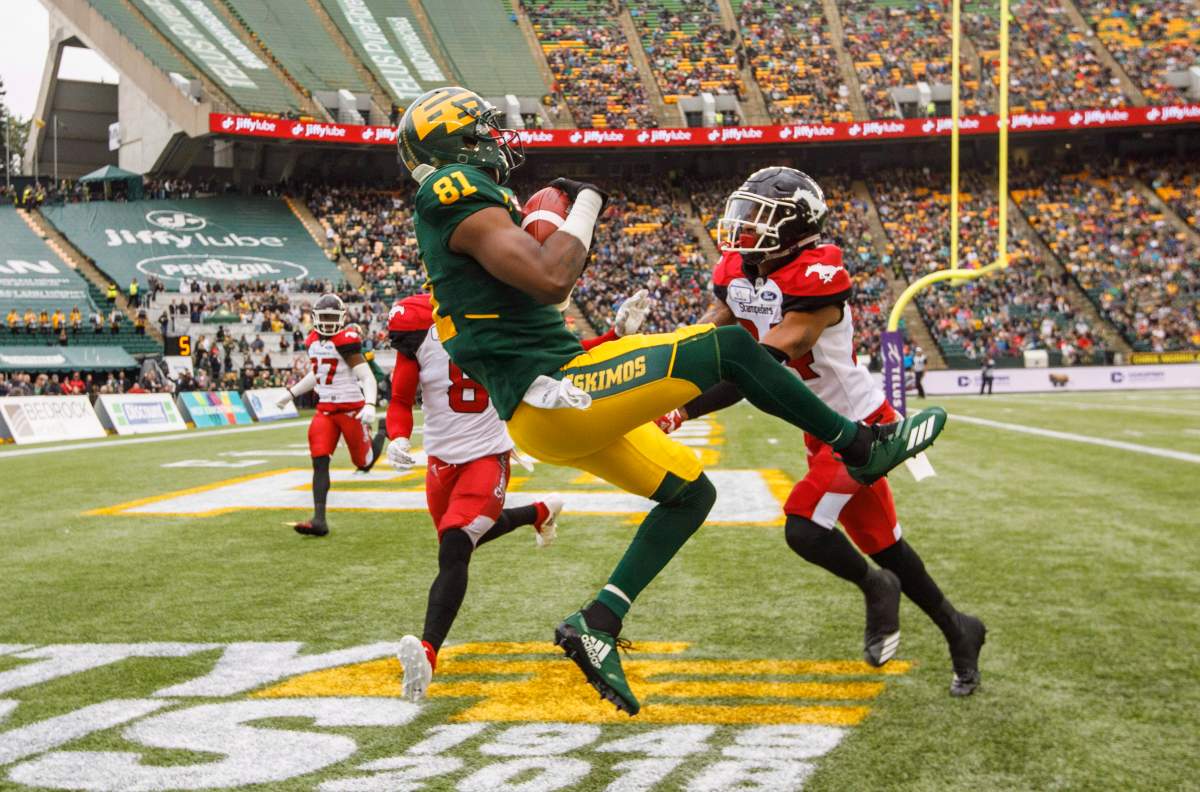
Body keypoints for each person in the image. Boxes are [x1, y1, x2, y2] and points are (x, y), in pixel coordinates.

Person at [397, 86, 947, 714]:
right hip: (558, 394)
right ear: (455, 145)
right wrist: (586, 205)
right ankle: (863, 444)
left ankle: (596, 623)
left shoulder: (465, 220)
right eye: (481, 131)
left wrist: (554, 234)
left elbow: (518, 307)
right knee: (732, 348)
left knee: (692, 492)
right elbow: (553, 277)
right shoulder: (453, 189)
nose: (496, 140)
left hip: (552, 405)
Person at [656, 167, 985, 696]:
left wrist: (698, 383)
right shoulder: (739, 273)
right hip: (821, 433)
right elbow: (714, 344)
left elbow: (774, 351)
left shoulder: (818, 274)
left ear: (798, 226)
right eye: (743, 212)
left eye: (760, 217)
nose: (743, 227)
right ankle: (960, 630)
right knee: (887, 545)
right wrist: (668, 390)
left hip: (862, 429)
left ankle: (877, 589)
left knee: (804, 527)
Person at [385, 291, 573, 701]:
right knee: (461, 541)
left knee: (455, 544)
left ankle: (429, 652)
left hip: (487, 455)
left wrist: (612, 336)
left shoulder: (496, 316)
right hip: (441, 463)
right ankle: (539, 512)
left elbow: (554, 356)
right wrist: (397, 437)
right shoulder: (420, 330)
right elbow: (400, 399)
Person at [275, 294, 387, 537]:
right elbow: (318, 372)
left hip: (350, 409)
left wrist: (369, 404)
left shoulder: (346, 340)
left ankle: (382, 432)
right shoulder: (313, 341)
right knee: (319, 460)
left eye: (331, 318)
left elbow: (366, 377)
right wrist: (291, 393)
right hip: (325, 409)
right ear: (315, 318)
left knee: (363, 462)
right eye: (323, 317)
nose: (326, 323)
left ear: (342, 318)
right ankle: (319, 520)